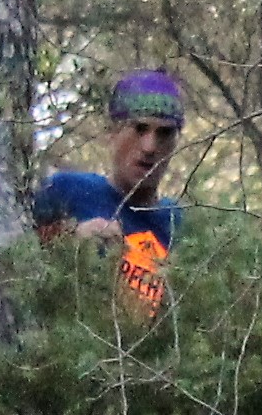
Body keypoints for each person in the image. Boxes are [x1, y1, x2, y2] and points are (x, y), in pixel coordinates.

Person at [33, 70, 189, 317]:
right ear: (111, 132)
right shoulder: (67, 191)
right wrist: (70, 240)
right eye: (139, 129)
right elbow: (18, 257)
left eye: (164, 133)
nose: (150, 147)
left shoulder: (182, 225)